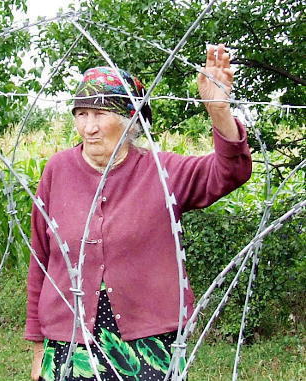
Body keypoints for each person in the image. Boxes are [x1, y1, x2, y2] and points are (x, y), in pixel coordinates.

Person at [25, 44, 252, 381]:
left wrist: (218, 110)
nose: (89, 127)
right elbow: (41, 259)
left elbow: (229, 173)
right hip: (70, 341)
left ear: (130, 120)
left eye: (101, 114)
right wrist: (38, 345)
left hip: (150, 345)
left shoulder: (163, 172)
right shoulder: (57, 170)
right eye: (81, 114)